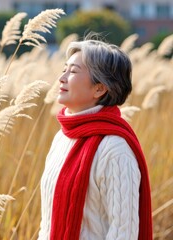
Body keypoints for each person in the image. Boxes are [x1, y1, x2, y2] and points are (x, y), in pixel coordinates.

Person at [38, 33, 152, 240]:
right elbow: (47, 223)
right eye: (64, 69)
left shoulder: (115, 149)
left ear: (99, 88)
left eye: (73, 71)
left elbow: (123, 233)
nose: (61, 78)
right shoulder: (62, 138)